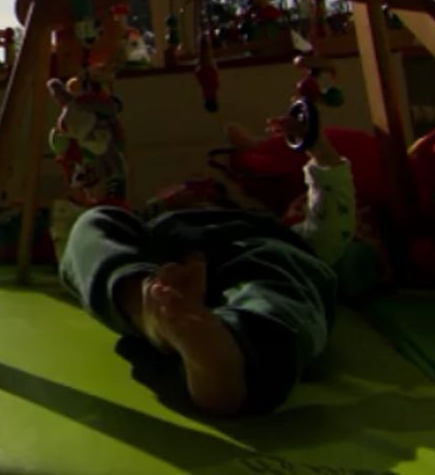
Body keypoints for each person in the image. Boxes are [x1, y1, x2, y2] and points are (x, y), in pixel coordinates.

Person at [57, 111, 356, 416]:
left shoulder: (286, 233)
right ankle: (147, 306)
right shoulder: (157, 219)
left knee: (282, 284)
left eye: (302, 204)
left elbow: (334, 207)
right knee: (93, 223)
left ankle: (232, 355)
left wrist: (318, 146)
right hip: (168, 258)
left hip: (256, 254)